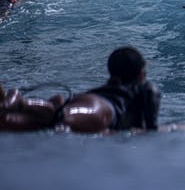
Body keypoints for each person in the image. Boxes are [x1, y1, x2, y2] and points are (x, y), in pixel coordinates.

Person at [0, 47, 160, 133]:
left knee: (12, 122)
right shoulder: (147, 87)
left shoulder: (112, 85)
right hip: (103, 109)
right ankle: (19, 102)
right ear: (141, 74)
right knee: (60, 115)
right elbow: (150, 130)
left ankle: (12, 104)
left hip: (87, 99)